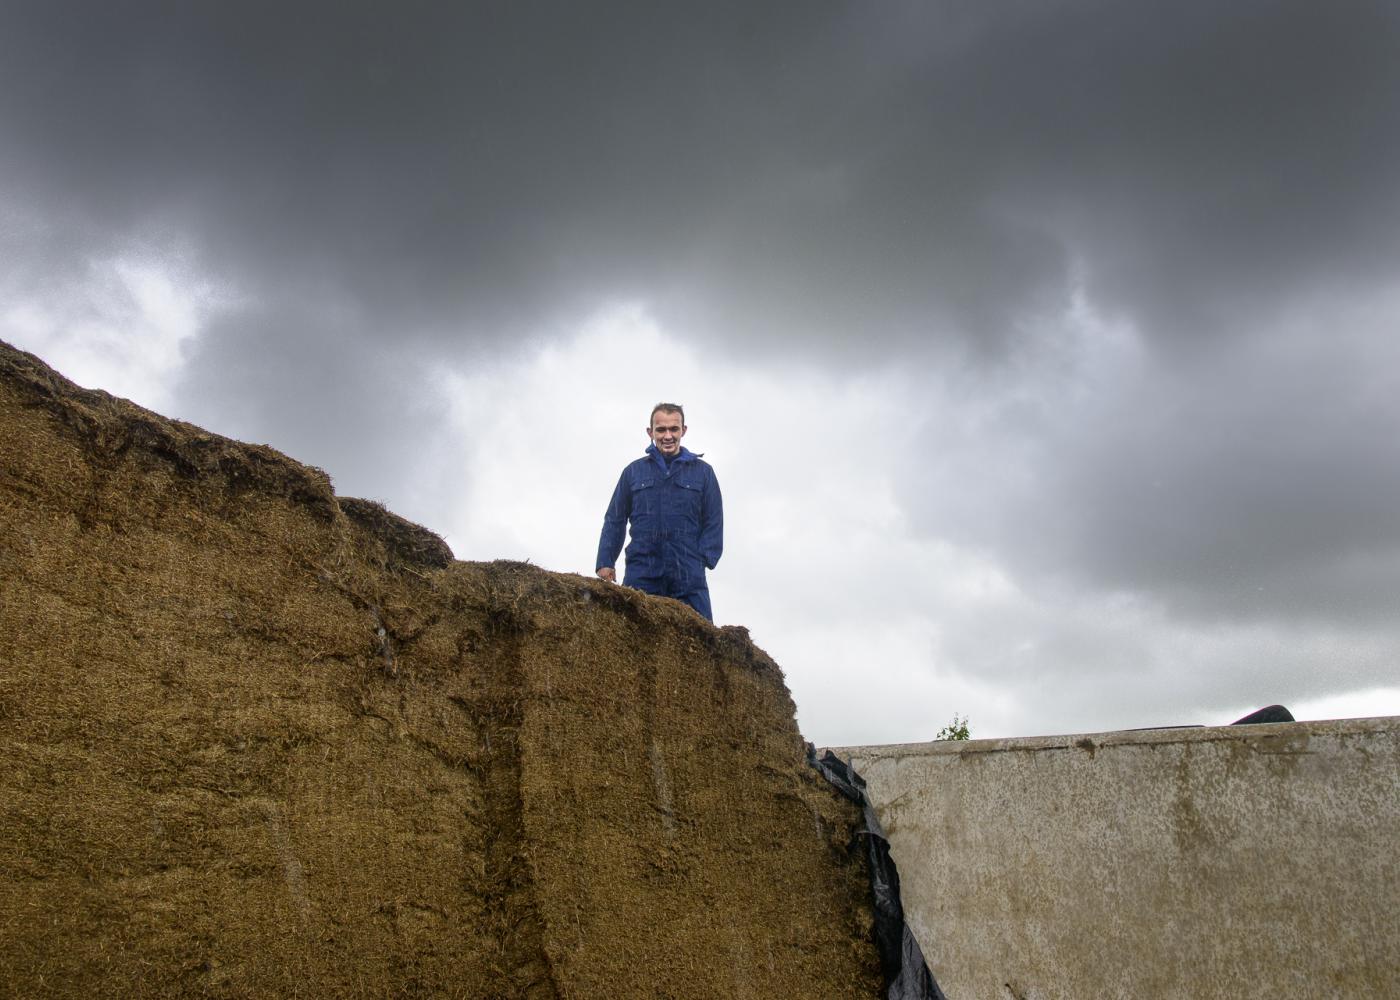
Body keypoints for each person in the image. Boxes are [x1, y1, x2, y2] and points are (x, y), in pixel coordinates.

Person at [596, 403, 723, 621]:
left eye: (674, 429)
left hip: (688, 575)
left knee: (703, 644)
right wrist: (606, 561)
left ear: (683, 430)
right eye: (661, 430)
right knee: (632, 638)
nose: (668, 436)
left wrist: (702, 558)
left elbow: (714, 520)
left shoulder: (703, 473)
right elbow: (615, 518)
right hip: (643, 571)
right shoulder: (633, 472)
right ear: (650, 432)